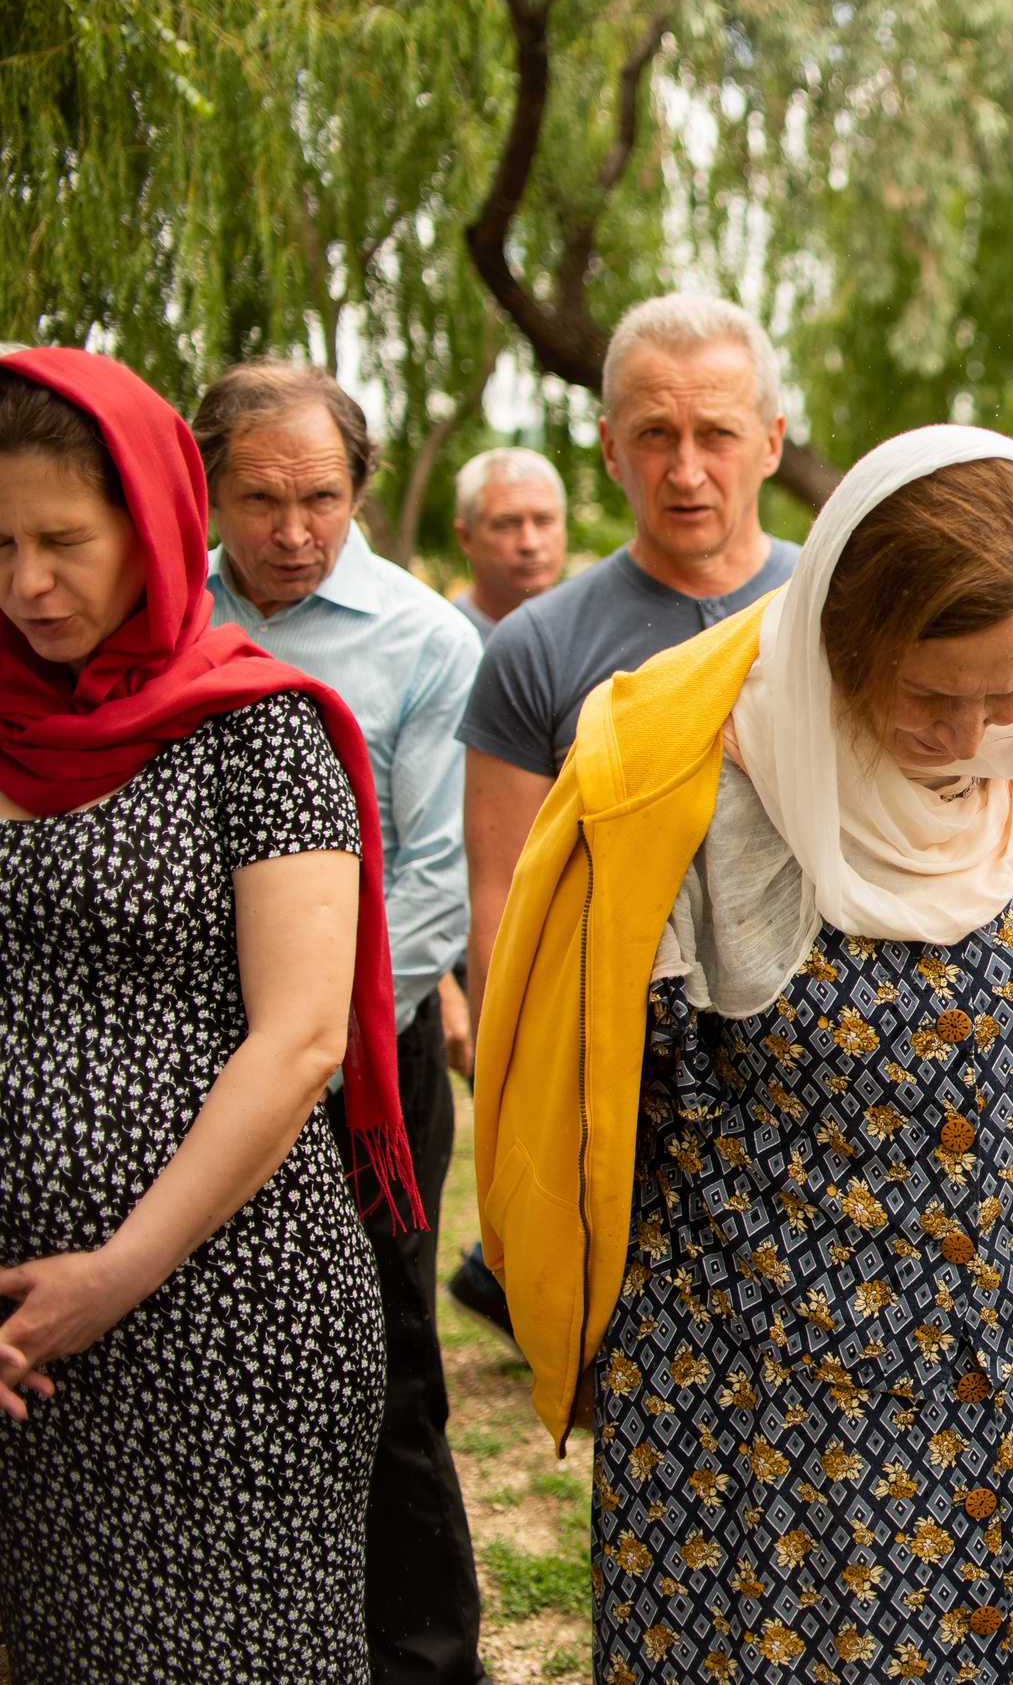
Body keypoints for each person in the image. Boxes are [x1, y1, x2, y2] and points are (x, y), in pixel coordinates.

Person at [472, 425, 1013, 1683]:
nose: (970, 734)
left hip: (1011, 1389)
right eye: (925, 693)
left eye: (1009, 689)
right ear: (838, 640)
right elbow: (577, 1087)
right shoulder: (678, 784)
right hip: (751, 1407)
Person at [0, 348, 420, 1679]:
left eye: (62, 540)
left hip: (232, 1318)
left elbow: (300, 1042)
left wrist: (109, 1277)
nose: (26, 583)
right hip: (24, 1354)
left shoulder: (260, 730)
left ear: (153, 520)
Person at [193, 360, 488, 1685]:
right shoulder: (160, 623)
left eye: (321, 497)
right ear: (207, 489)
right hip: (189, 1056)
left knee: (386, 1355)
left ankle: (423, 1655)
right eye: (261, 499)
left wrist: (310, 1041)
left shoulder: (427, 640)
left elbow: (434, 881)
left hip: (369, 1059)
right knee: (210, 1355)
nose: (295, 531)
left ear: (360, 488)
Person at [447, 294, 803, 1338]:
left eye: (716, 434)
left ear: (771, 442)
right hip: (634, 1102)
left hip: (825, 1092)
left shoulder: (841, 617)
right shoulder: (537, 650)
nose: (685, 469)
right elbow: (504, 894)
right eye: (655, 435)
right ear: (608, 448)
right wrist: (515, 1101)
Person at [448, 446, 567, 641]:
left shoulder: (594, 635)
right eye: (506, 524)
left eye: (543, 520)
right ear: (466, 538)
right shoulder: (443, 645)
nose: (530, 544)